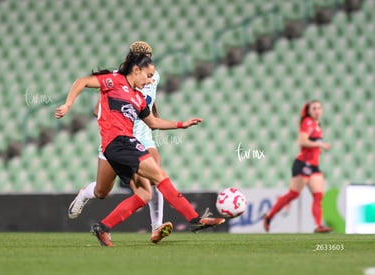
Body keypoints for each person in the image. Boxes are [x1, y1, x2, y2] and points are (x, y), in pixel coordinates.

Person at [55, 53, 225, 247]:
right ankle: (194, 219)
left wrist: (181, 124)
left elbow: (153, 122)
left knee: (145, 195)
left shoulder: (138, 98)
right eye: (148, 75)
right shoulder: (114, 80)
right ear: (136, 70)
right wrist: (68, 104)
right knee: (159, 176)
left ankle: (103, 228)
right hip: (119, 143)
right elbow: (82, 81)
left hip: (122, 145)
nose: (151, 80)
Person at [67, 41, 173, 244]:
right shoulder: (116, 78)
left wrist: (151, 116)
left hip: (141, 135)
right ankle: (85, 193)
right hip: (116, 137)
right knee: (102, 191)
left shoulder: (154, 75)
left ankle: (156, 228)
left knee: (156, 174)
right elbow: (97, 108)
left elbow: (149, 99)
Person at [263, 100, 332, 233]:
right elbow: (302, 141)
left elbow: (312, 144)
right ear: (309, 111)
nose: (317, 111)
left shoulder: (317, 125)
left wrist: (318, 150)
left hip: (314, 165)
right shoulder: (308, 122)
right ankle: (269, 217)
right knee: (293, 194)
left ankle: (318, 226)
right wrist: (320, 145)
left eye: (319, 108)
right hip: (303, 164)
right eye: (314, 108)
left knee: (318, 196)